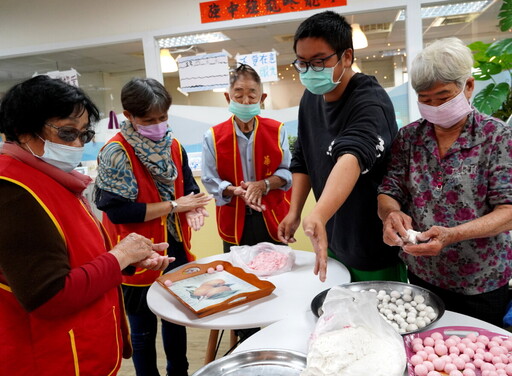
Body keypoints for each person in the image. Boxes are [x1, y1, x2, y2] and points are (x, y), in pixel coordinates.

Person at [0, 75, 172, 376]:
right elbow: (49, 296)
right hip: (49, 358)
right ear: (22, 131)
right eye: (67, 134)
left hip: (84, 347)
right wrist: (120, 256)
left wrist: (128, 257)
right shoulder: (13, 191)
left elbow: (76, 252)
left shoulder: (52, 178)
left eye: (84, 134)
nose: (78, 144)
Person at [377, 37, 512, 327]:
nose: (435, 107)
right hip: (423, 275)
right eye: (425, 100)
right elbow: (389, 190)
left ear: (468, 86)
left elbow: (508, 212)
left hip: (481, 281)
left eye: (444, 97)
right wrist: (391, 214)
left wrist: (452, 234)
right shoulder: (410, 138)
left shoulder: (497, 137)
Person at [95, 78, 211, 376]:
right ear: (129, 116)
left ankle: (179, 371)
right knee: (143, 331)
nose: (158, 125)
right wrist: (175, 206)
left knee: (175, 318)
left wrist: (193, 207)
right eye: (149, 120)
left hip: (174, 247)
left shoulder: (173, 145)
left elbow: (186, 185)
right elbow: (117, 211)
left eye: (163, 118)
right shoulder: (115, 153)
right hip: (136, 252)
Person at [278, 11, 405, 283]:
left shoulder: (370, 100)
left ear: (347, 57)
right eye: (302, 63)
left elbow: (352, 156)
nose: (311, 70)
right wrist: (295, 212)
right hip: (333, 236)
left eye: (319, 61)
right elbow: (302, 157)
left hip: (372, 243)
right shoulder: (310, 98)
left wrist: (318, 214)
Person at [201, 63, 292, 254]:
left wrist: (263, 184)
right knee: (239, 277)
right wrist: (235, 191)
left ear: (262, 98)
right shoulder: (213, 136)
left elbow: (287, 171)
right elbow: (209, 180)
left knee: (278, 270)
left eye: (252, 95)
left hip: (272, 216)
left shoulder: (277, 130)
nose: (245, 101)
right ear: (228, 98)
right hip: (235, 220)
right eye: (239, 94)